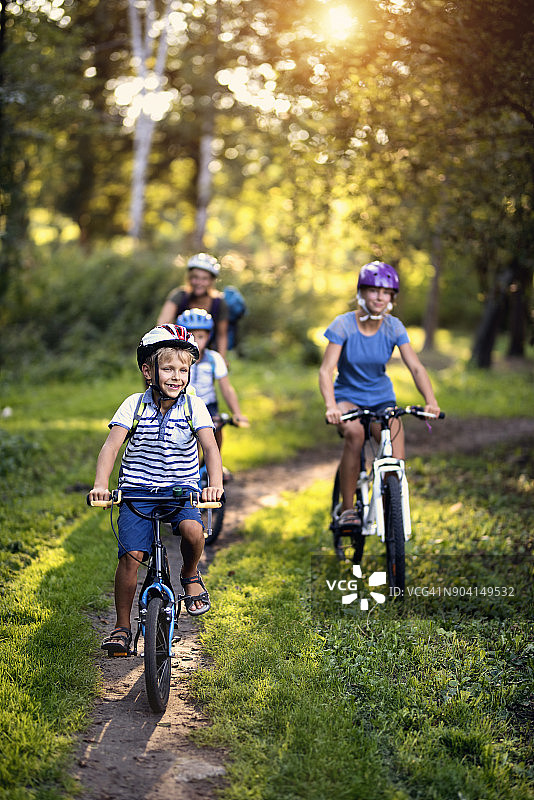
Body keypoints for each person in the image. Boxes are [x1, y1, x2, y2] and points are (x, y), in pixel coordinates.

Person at [89, 324, 224, 656]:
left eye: (183, 370)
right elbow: (111, 447)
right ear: (148, 371)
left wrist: (214, 486)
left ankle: (190, 574)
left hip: (180, 492)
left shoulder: (194, 406)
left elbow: (210, 448)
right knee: (131, 558)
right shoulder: (133, 405)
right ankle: (122, 627)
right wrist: (101, 486)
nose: (176, 376)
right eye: (168, 369)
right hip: (137, 492)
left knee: (194, 532)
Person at [319, 261, 440, 525]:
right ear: (361, 292)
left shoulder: (394, 327)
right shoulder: (343, 325)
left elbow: (416, 368)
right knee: (355, 434)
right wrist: (331, 406)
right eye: (374, 290)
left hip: (382, 399)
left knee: (395, 454)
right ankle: (348, 510)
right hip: (347, 398)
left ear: (392, 298)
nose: (379, 297)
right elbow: (326, 370)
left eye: (386, 293)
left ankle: (391, 513)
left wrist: (430, 401)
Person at [177, 308, 249, 451]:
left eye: (200, 337)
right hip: (183, 406)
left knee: (216, 435)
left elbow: (226, 388)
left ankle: (214, 463)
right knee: (191, 446)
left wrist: (237, 413)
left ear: (208, 336)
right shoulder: (176, 359)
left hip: (208, 406)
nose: (195, 341)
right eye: (190, 336)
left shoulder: (214, 358)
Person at [157, 253, 230, 360]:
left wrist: (221, 360)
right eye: (195, 277)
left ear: (211, 281)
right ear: (189, 278)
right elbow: (163, 324)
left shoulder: (219, 303)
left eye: (204, 279)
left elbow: (222, 335)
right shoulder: (180, 296)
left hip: (207, 352)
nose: (199, 282)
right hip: (180, 350)